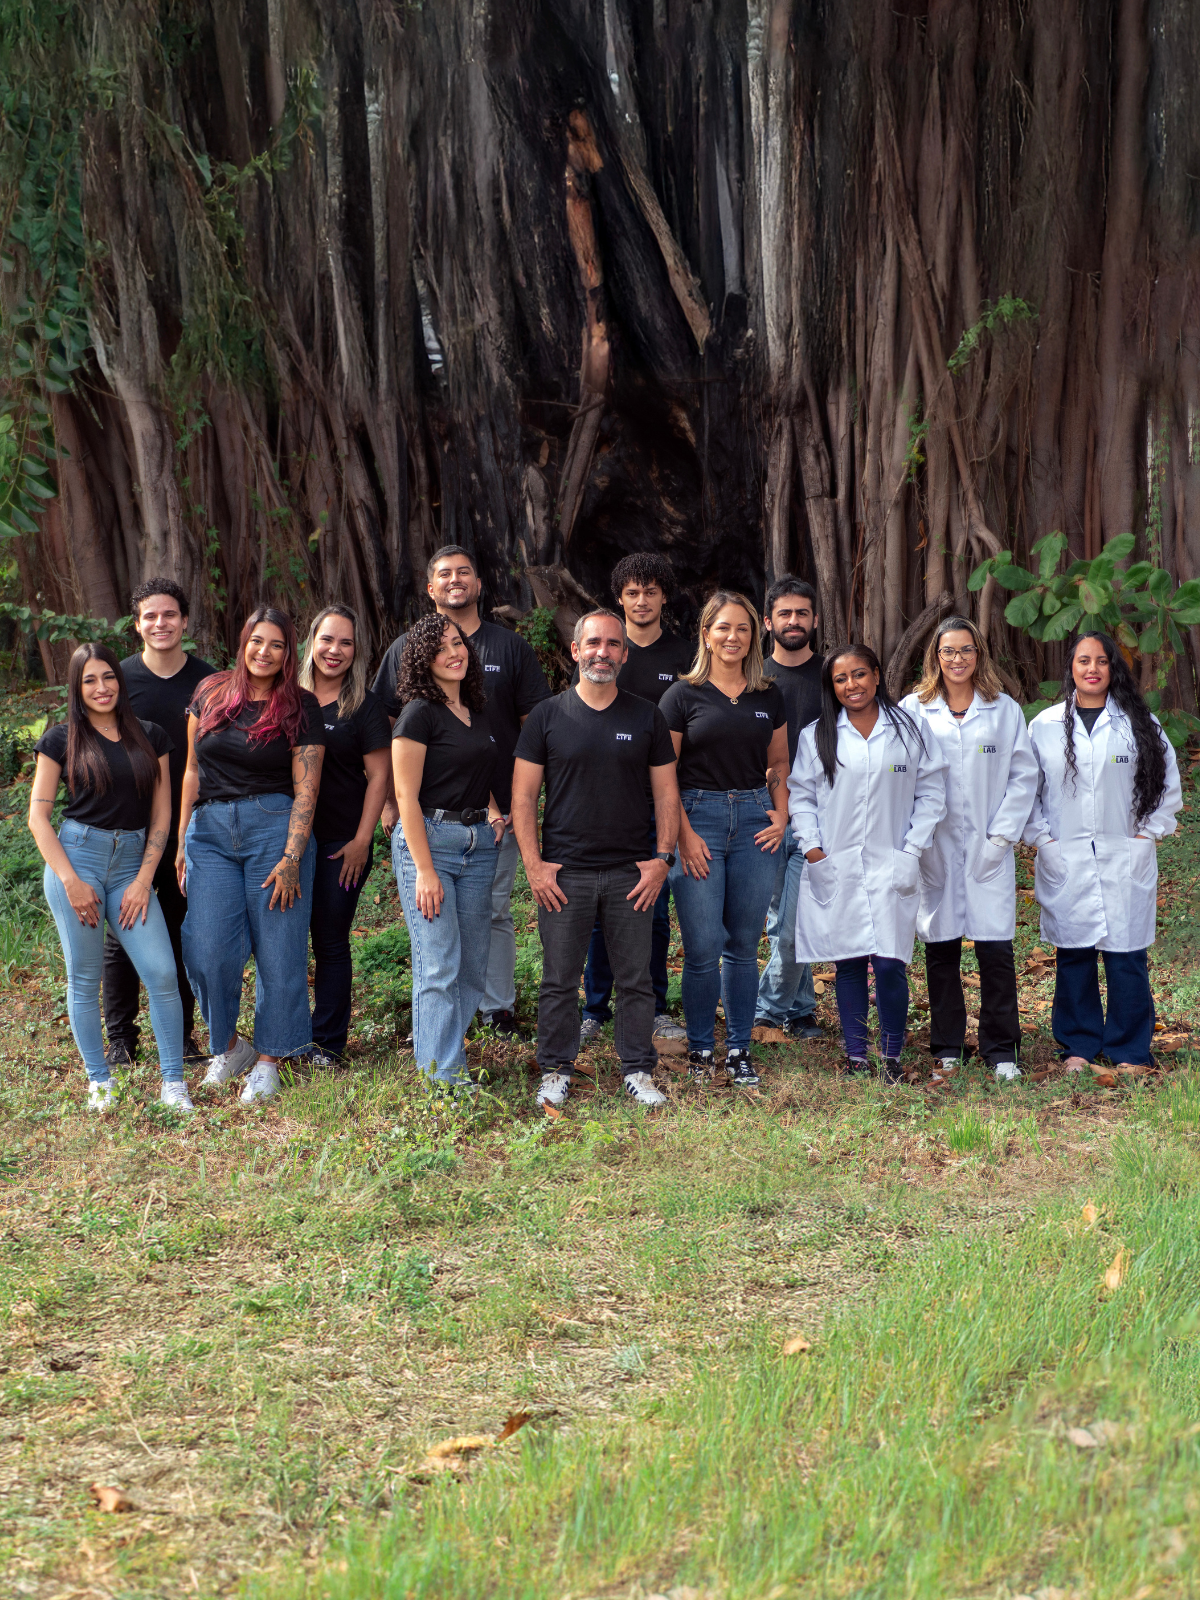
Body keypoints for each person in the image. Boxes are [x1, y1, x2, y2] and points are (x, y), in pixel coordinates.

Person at [374, 544, 550, 1037]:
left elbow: (533, 728)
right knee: (435, 926)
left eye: (465, 572)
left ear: (479, 583)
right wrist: (390, 800)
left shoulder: (508, 649)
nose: (455, 580)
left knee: (491, 915)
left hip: (494, 815)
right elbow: (385, 726)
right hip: (429, 816)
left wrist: (516, 802)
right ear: (430, 588)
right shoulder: (405, 651)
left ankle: (494, 1009)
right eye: (445, 574)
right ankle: (440, 1028)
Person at [512, 609, 681, 1110]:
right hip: (565, 874)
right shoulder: (547, 716)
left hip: (633, 873)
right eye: (593, 643)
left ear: (624, 654)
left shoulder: (647, 716)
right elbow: (523, 797)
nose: (602, 652)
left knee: (636, 980)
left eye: (612, 644)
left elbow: (667, 794)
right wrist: (533, 865)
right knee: (559, 980)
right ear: (575, 650)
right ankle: (556, 1070)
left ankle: (638, 1070)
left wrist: (662, 859)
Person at [177, 607, 325, 1103]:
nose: (265, 652)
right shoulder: (209, 691)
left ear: (289, 653)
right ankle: (230, 1046)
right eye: (257, 641)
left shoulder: (300, 705)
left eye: (277, 644)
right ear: (243, 643)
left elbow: (307, 789)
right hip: (209, 833)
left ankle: (269, 1059)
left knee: (280, 950)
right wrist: (181, 841)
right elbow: (191, 771)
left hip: (274, 830)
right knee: (205, 948)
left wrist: (292, 855)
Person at [29, 645, 185, 1110]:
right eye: (90, 680)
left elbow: (161, 816)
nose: (102, 688)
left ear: (120, 679)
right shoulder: (60, 740)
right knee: (84, 977)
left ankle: (173, 1083)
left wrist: (143, 880)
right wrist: (71, 881)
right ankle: (100, 1081)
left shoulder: (151, 736)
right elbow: (38, 819)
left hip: (132, 865)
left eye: (109, 677)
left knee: (161, 972)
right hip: (78, 860)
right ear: (77, 689)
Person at [1025, 631, 1181, 1075]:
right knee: (1074, 954)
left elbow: (1167, 787)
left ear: (1114, 668)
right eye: (1083, 660)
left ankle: (1129, 1050)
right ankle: (1078, 1046)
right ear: (1070, 667)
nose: (1092, 669)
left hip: (1123, 854)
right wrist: (1044, 840)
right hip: (1067, 856)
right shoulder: (1044, 726)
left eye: (1101, 661)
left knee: (1126, 955)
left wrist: (1146, 837)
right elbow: (1026, 792)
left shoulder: (1140, 723)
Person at [790, 645, 947, 1081]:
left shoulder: (910, 730)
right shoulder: (817, 735)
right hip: (836, 862)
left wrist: (912, 848)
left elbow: (932, 792)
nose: (851, 685)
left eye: (859, 674)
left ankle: (891, 1056)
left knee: (891, 963)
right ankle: (856, 1057)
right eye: (840, 679)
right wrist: (813, 848)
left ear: (877, 675)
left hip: (892, 860)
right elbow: (801, 796)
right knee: (849, 961)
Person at [659, 591, 790, 1087]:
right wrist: (683, 835)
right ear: (706, 634)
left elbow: (778, 762)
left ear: (754, 636)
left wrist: (781, 813)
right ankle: (700, 1050)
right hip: (699, 818)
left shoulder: (767, 695)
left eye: (743, 628)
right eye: (723, 628)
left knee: (742, 943)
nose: (733, 637)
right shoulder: (681, 696)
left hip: (756, 821)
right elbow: (664, 774)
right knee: (701, 945)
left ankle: (738, 1049)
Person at [901, 616, 1038, 1083]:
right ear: (935, 657)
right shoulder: (914, 709)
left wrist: (1001, 837)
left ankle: (1002, 1049)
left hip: (988, 846)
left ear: (979, 654)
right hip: (934, 846)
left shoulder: (1003, 710)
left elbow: (1023, 776)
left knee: (995, 950)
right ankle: (947, 1047)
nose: (957, 659)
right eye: (948, 651)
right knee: (940, 949)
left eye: (965, 650)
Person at [575, 552, 692, 1045]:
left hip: (657, 804)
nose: (641, 601)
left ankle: (655, 1006)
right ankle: (595, 1008)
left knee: (654, 910)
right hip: (603, 803)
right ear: (619, 599)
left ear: (664, 597)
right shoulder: (603, 652)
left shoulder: (686, 656)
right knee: (598, 911)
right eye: (632, 593)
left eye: (650, 592)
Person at [100, 580, 216, 1068]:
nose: (160, 623)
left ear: (185, 621)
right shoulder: (119, 680)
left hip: (192, 824)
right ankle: (121, 1039)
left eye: (169, 614)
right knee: (121, 932)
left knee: (179, 929)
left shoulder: (210, 682)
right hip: (130, 824)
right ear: (137, 624)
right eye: (150, 616)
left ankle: (182, 1035)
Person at [391, 613, 505, 1090]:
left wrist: (493, 811)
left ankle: (445, 1058)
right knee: (438, 963)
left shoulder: (475, 709)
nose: (453, 653)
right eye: (439, 649)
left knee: (473, 966)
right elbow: (405, 796)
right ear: (423, 660)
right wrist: (423, 870)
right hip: (431, 844)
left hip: (478, 846)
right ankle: (442, 1081)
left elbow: (474, 770)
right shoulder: (419, 713)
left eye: (457, 643)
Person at [298, 605, 391, 1064]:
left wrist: (362, 841)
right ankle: (288, 1035)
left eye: (346, 642)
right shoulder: (288, 698)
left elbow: (380, 777)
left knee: (330, 939)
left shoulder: (363, 706)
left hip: (342, 842)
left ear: (357, 651)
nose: (334, 650)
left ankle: (327, 1043)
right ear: (311, 642)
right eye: (327, 639)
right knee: (285, 941)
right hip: (288, 842)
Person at [754, 577, 825, 1040]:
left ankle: (766, 1009)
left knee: (794, 920)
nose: (793, 621)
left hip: (817, 812)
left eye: (802, 613)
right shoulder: (753, 677)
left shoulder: (834, 675)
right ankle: (800, 1010)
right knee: (781, 918)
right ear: (768, 621)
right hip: (764, 813)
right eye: (784, 613)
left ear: (815, 620)